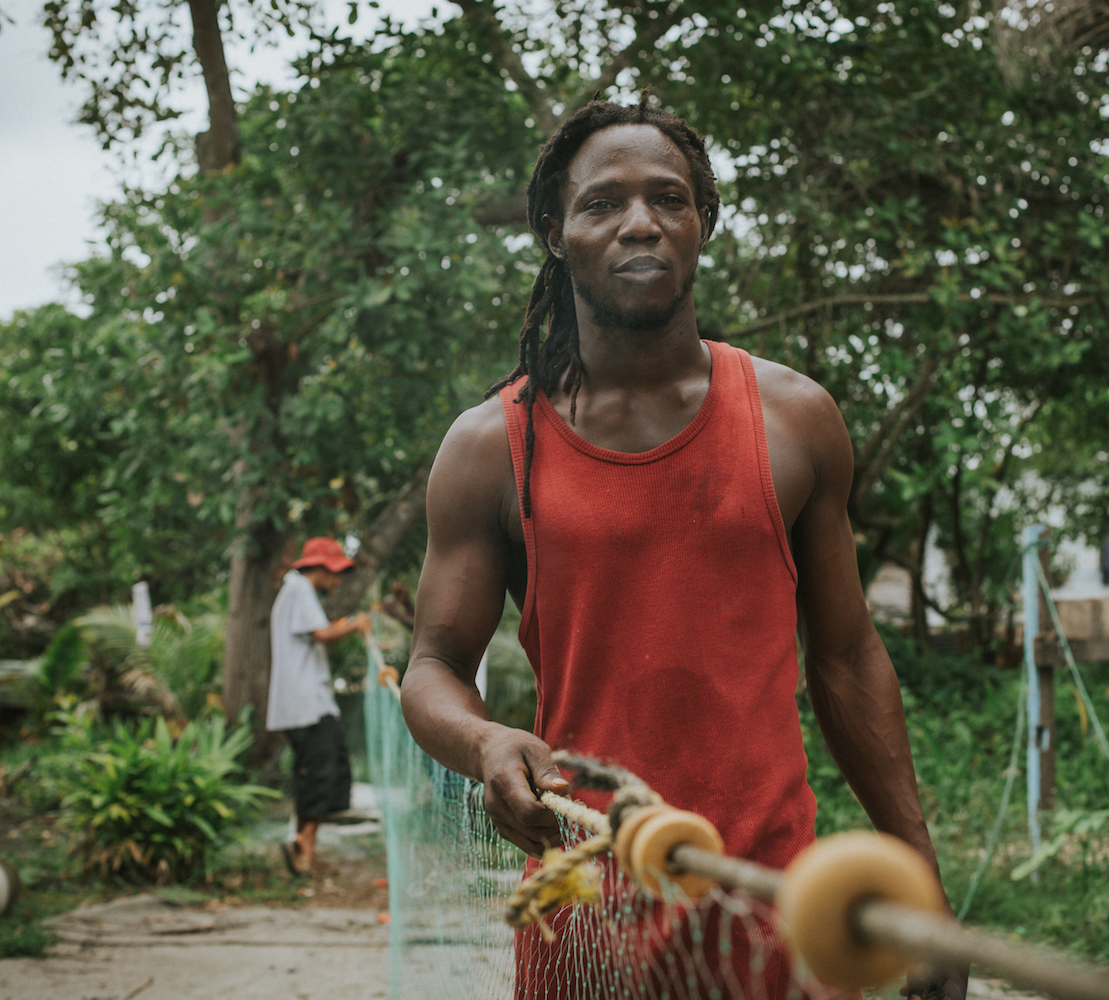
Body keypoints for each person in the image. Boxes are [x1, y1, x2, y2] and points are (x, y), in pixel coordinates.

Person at [402, 96, 966, 1000]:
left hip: (772, 908)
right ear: (555, 232)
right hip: (584, 913)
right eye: (601, 204)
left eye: (669, 198)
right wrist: (481, 742)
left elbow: (850, 655)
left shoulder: (795, 420)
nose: (640, 224)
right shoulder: (488, 449)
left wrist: (918, 876)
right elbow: (431, 665)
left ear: (702, 222)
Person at [268, 536, 371, 875]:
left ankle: (305, 847)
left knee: (315, 773)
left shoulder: (292, 592)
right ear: (321, 568)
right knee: (323, 774)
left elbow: (318, 635)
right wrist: (355, 625)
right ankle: (304, 847)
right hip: (306, 704)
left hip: (301, 703)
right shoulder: (300, 589)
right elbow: (321, 636)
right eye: (334, 574)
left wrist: (339, 627)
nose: (337, 581)